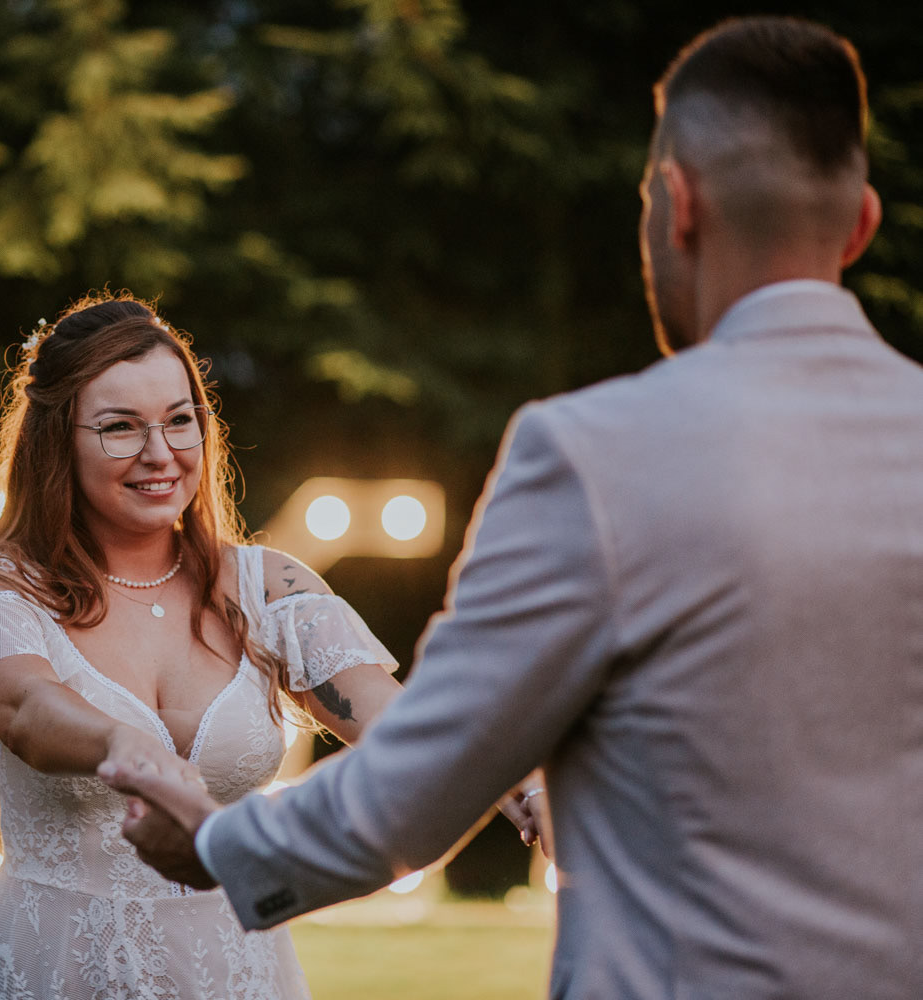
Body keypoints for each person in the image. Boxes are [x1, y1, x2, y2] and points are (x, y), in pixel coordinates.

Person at [101, 16, 923, 999]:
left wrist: (219, 846)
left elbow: (416, 789)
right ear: (862, 224)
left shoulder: (591, 454)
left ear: (678, 203)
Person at [0, 292, 544, 999]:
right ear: (57, 440)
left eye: (180, 421)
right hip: (55, 966)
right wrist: (125, 746)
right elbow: (23, 707)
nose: (161, 454)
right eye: (120, 427)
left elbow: (399, 725)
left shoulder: (270, 589)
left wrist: (512, 775)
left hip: (236, 972)